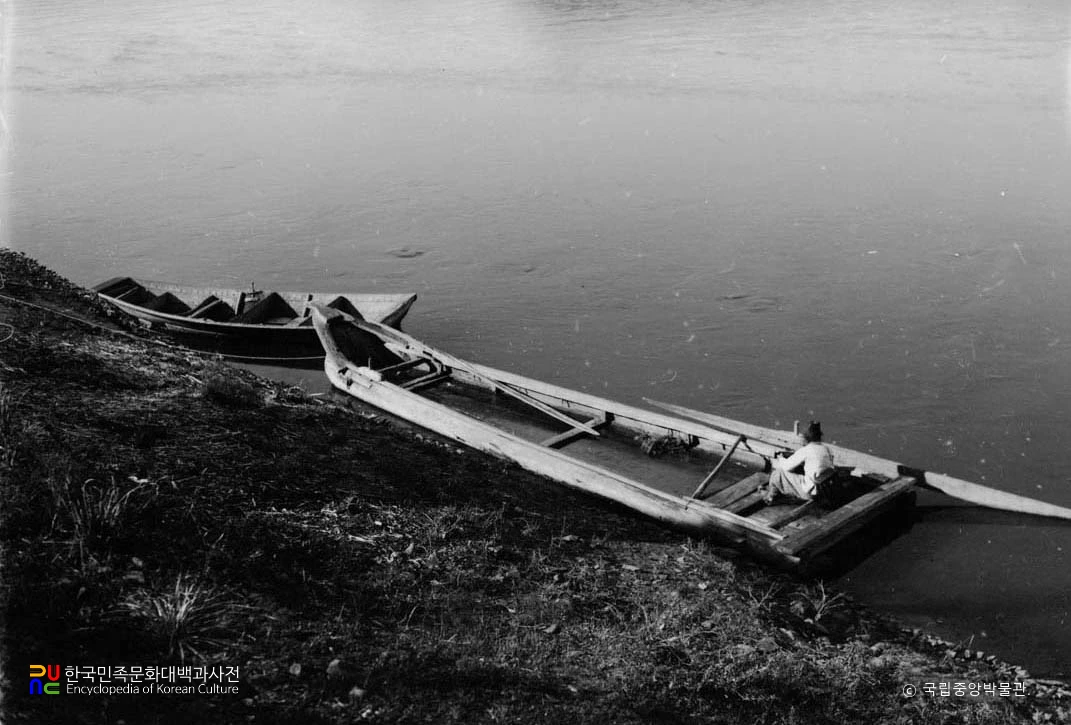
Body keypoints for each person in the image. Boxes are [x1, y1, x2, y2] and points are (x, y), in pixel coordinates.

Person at [761, 420, 834, 503]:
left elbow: (786, 467)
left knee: (777, 474)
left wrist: (780, 458)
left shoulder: (806, 450)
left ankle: (771, 497)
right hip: (825, 489)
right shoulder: (827, 449)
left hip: (811, 492)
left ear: (806, 438)